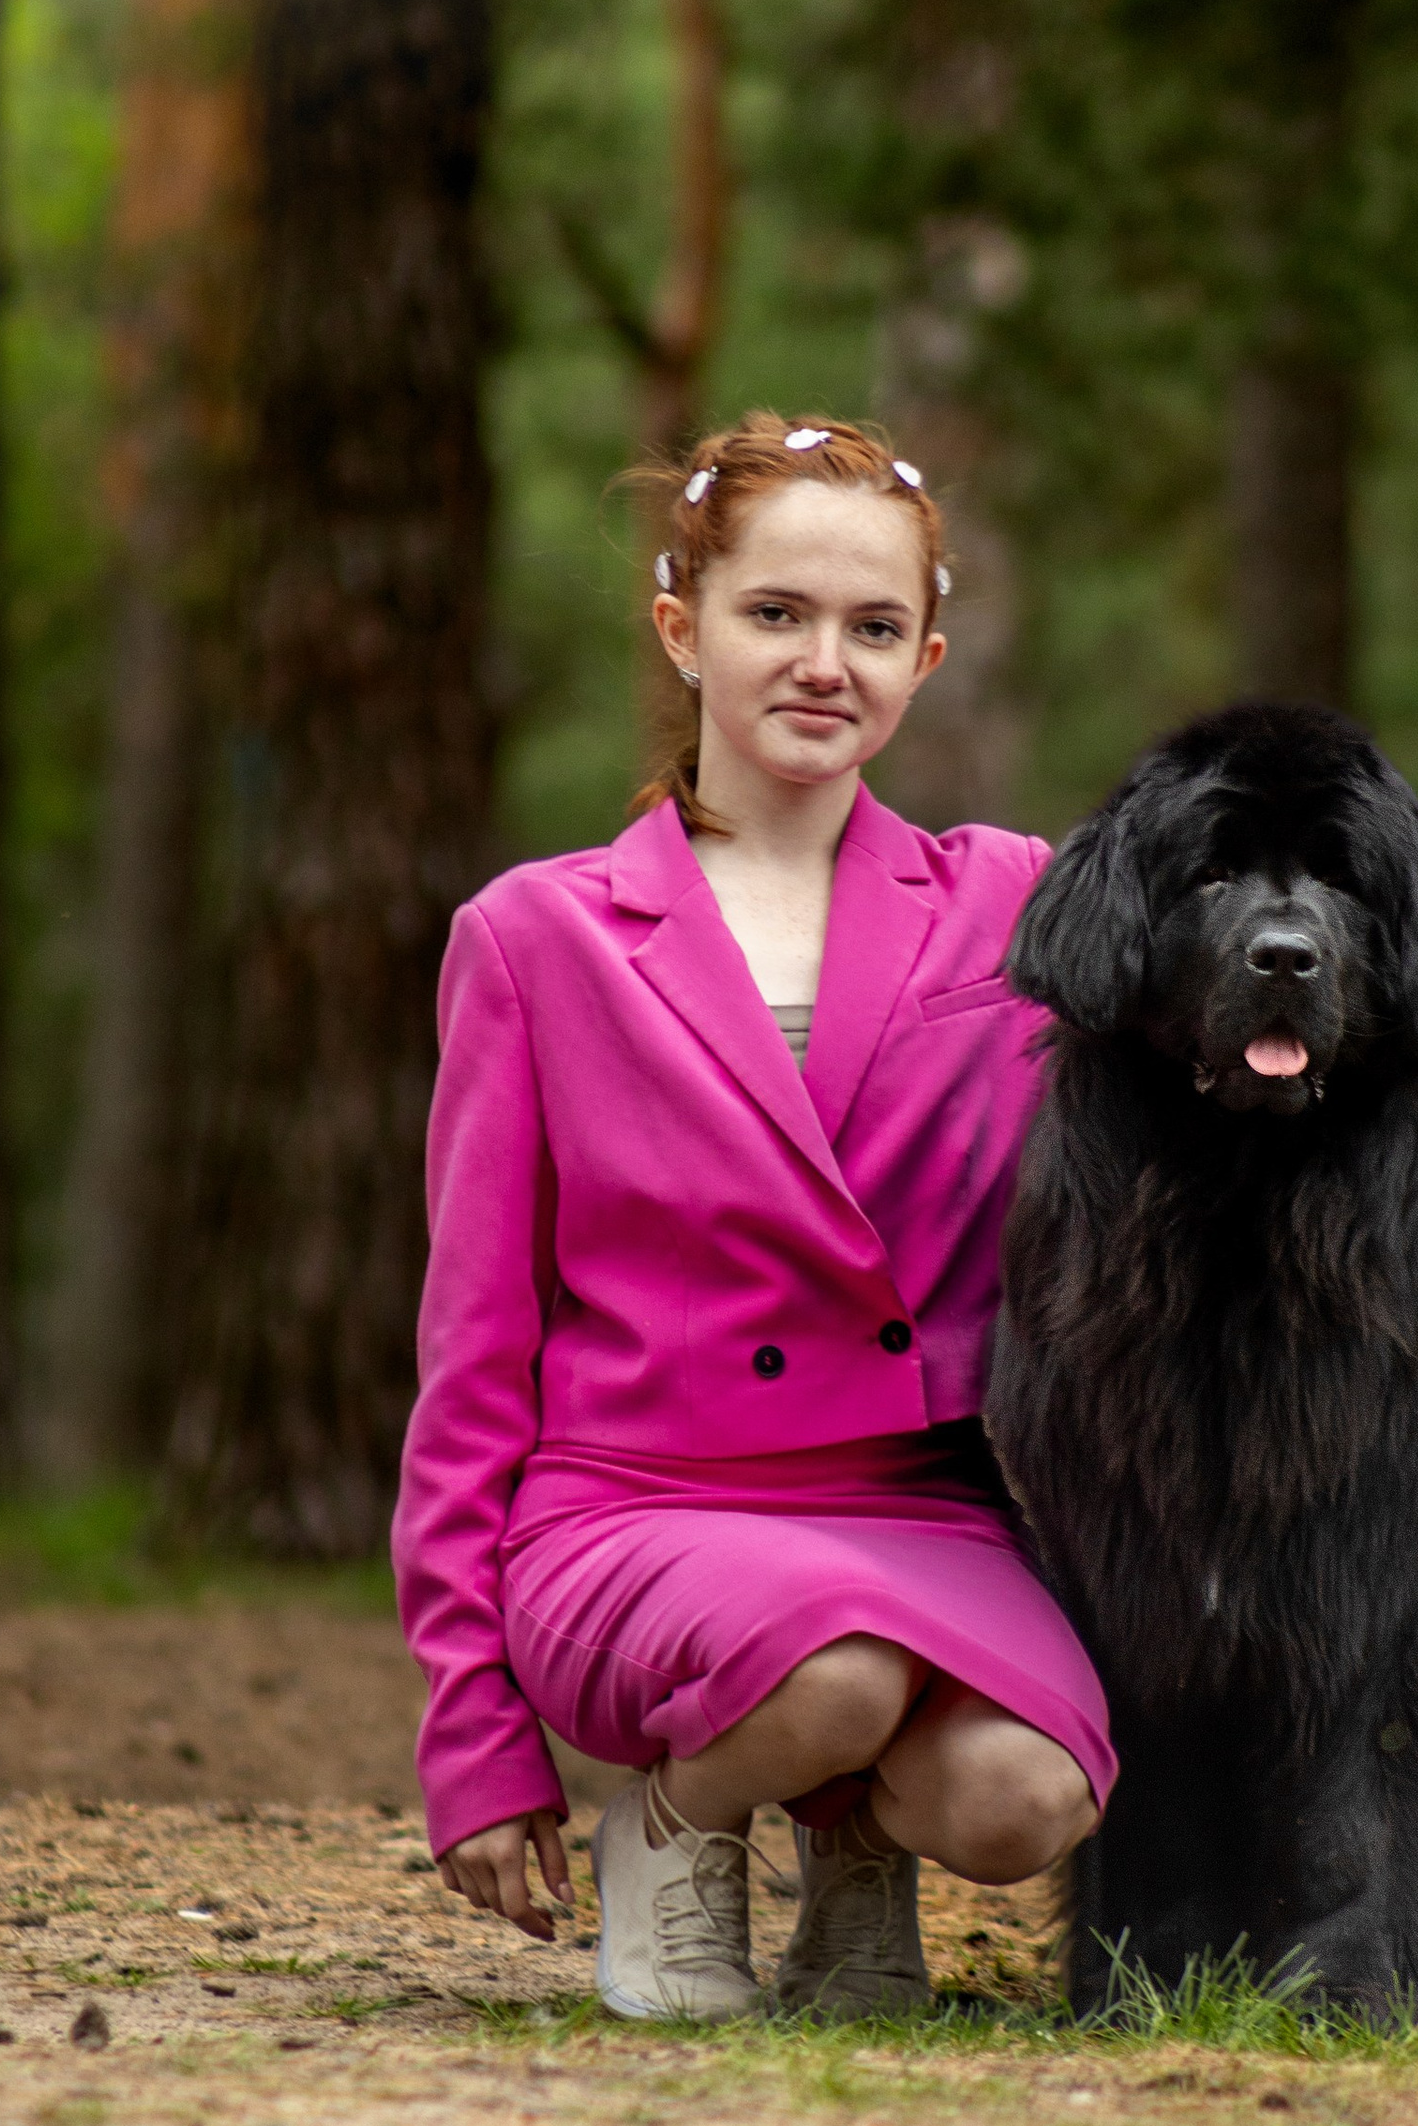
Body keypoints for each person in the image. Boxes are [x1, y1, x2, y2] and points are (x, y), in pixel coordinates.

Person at [392, 410, 1114, 2018]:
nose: (822, 663)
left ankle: (861, 1854)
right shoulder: (538, 938)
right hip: (634, 1503)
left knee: (1023, 1797)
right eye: (774, 614)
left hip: (911, 1499)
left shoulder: (1013, 904)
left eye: (873, 628)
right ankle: (676, 1819)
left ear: (927, 659)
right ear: (684, 627)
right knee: (834, 1666)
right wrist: (472, 1726)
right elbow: (472, 1355)